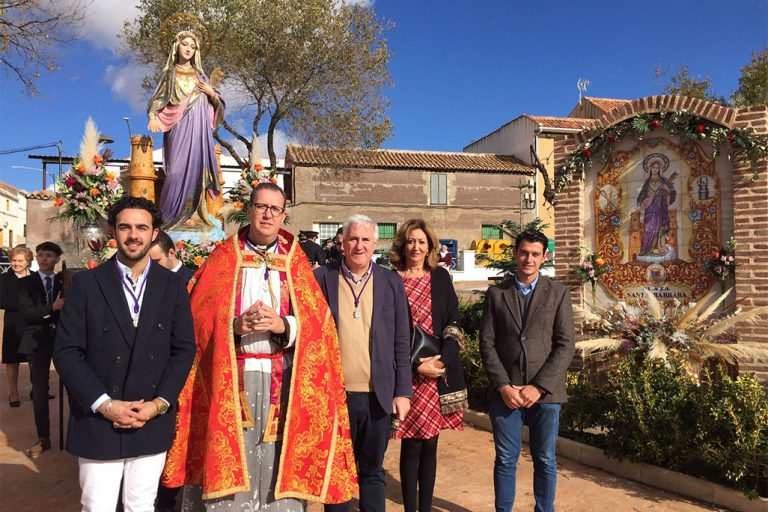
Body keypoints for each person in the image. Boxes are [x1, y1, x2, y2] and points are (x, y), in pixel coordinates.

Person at [163, 183, 356, 511]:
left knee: (275, 464)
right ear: (249, 209)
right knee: (233, 468)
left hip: (284, 382)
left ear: (283, 215)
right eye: (261, 206)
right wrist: (233, 326)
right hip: (231, 379)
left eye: (275, 209)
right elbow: (196, 319)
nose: (267, 214)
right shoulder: (224, 257)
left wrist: (283, 325)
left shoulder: (296, 261)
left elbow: (320, 327)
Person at [52, 196, 196, 510]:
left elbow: (184, 349)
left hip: (150, 418)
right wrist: (104, 405)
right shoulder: (87, 284)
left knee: (142, 505)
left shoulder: (172, 286)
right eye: (126, 227)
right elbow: (66, 352)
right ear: (112, 231)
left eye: (142, 227)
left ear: (155, 232)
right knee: (97, 505)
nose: (134, 235)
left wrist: (159, 405)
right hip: (98, 419)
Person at [314, 214, 412, 512]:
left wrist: (403, 391)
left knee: (372, 470)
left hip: (377, 396)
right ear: (342, 242)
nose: (359, 245)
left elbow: (401, 339)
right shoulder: (323, 278)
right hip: (334, 396)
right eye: (353, 239)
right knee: (336, 473)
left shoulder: (390, 281)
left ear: (375, 244)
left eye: (366, 239)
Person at [479, 230, 575, 512]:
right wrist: (503, 385)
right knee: (506, 459)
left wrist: (538, 386)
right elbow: (487, 343)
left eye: (535, 254)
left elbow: (565, 344)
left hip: (545, 394)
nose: (528, 259)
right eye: (523, 252)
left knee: (544, 459)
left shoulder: (558, 294)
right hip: (505, 393)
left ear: (545, 257)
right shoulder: (497, 294)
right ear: (515, 253)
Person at [389, 220, 468, 512]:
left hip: (436, 374)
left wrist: (443, 360)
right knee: (410, 445)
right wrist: (413, 366)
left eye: (422, 242)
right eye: (411, 241)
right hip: (407, 376)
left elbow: (453, 321)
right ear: (402, 244)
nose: (416, 247)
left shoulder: (440, 278)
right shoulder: (390, 280)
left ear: (430, 246)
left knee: (430, 444)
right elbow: (384, 331)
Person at [148, 30, 225, 229]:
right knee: (174, 172)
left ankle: (194, 216)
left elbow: (217, 102)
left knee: (196, 171)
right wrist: (153, 115)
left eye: (193, 46)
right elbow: (158, 98)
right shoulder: (170, 74)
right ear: (177, 47)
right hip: (178, 126)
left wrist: (211, 93)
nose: (189, 49)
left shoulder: (200, 75)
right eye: (185, 44)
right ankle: (168, 218)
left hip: (199, 129)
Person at [18, 241, 64, 458]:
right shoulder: (27, 282)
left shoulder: (66, 281)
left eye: (49, 255)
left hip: (63, 340)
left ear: (57, 259)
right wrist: (51, 308)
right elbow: (27, 313)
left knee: (75, 385)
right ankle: (43, 437)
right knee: (39, 390)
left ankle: (78, 431)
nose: (44, 259)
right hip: (36, 340)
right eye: (41, 255)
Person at [1, 246, 33, 407]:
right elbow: (1, 301)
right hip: (13, 323)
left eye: (20, 260)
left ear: (28, 262)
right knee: (12, 360)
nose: (16, 263)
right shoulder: (4, 279)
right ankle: (13, 393)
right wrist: (24, 305)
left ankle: (38, 389)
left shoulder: (35, 277)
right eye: (13, 260)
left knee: (35, 359)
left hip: (33, 324)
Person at [636, 153, 676, 258]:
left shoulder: (663, 181)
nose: (655, 169)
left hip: (660, 207)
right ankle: (647, 248)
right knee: (648, 228)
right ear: (650, 169)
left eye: (657, 168)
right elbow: (642, 194)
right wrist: (639, 203)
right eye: (653, 167)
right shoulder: (647, 181)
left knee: (660, 228)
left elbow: (672, 191)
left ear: (659, 169)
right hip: (650, 208)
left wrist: (666, 190)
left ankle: (659, 247)